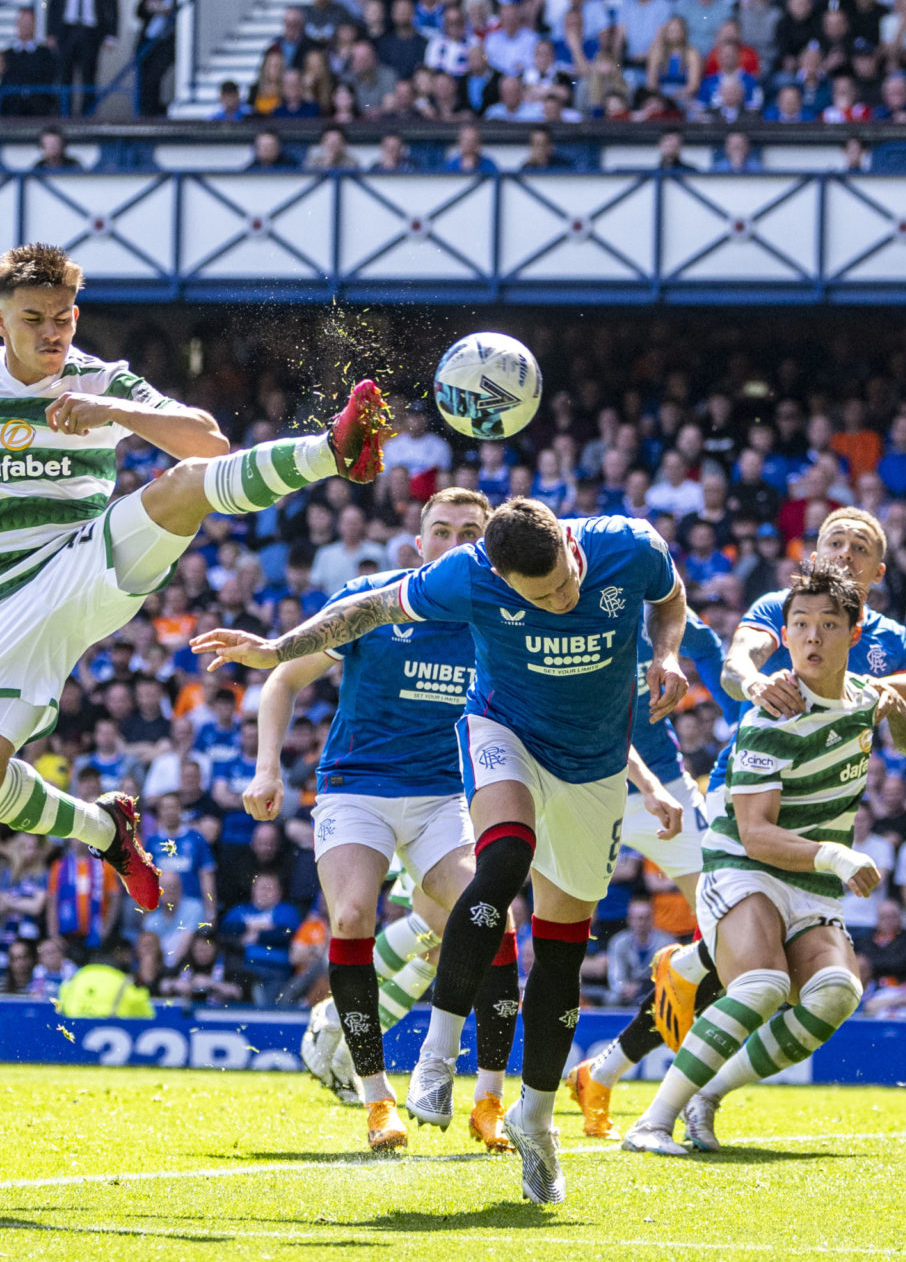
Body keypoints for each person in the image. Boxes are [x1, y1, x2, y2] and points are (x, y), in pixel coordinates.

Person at [0, 243, 397, 923]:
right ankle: (107, 832)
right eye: (32, 319)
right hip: (6, 602)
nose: (51, 333)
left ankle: (335, 448)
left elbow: (208, 442)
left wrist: (113, 412)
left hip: (87, 558)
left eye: (62, 319)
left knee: (181, 488)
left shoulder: (100, 378)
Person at [195, 497, 690, 1206]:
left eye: (568, 579)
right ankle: (427, 1061)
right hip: (484, 743)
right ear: (496, 573)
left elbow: (670, 599)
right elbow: (365, 608)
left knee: (559, 952)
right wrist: (277, 651)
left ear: (572, 545)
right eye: (543, 594)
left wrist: (666, 652)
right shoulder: (464, 579)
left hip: (591, 764)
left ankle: (534, 1118)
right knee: (498, 863)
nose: (564, 598)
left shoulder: (630, 547)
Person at [567, 506, 906, 1137]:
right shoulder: (787, 607)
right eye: (834, 542)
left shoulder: (887, 642)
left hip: (821, 812)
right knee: (753, 970)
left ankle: (624, 1054)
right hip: (748, 798)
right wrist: (755, 684)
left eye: (860, 547)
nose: (845, 554)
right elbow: (735, 662)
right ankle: (646, 1082)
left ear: (876, 574)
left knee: (756, 971)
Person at [249, 488, 524, 1152]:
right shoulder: (375, 597)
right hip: (357, 788)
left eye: (469, 532)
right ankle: (378, 1101)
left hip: (442, 797)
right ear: (419, 540)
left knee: (494, 916)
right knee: (349, 919)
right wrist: (267, 768)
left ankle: (489, 1098)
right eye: (441, 529)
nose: (454, 541)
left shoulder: (500, 620)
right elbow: (283, 678)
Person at [561, 607, 741, 1138]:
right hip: (583, 786)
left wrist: (743, 720)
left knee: (731, 936)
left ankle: (604, 1070)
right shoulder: (569, 619)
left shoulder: (669, 618)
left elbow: (710, 652)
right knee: (546, 926)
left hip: (668, 789)